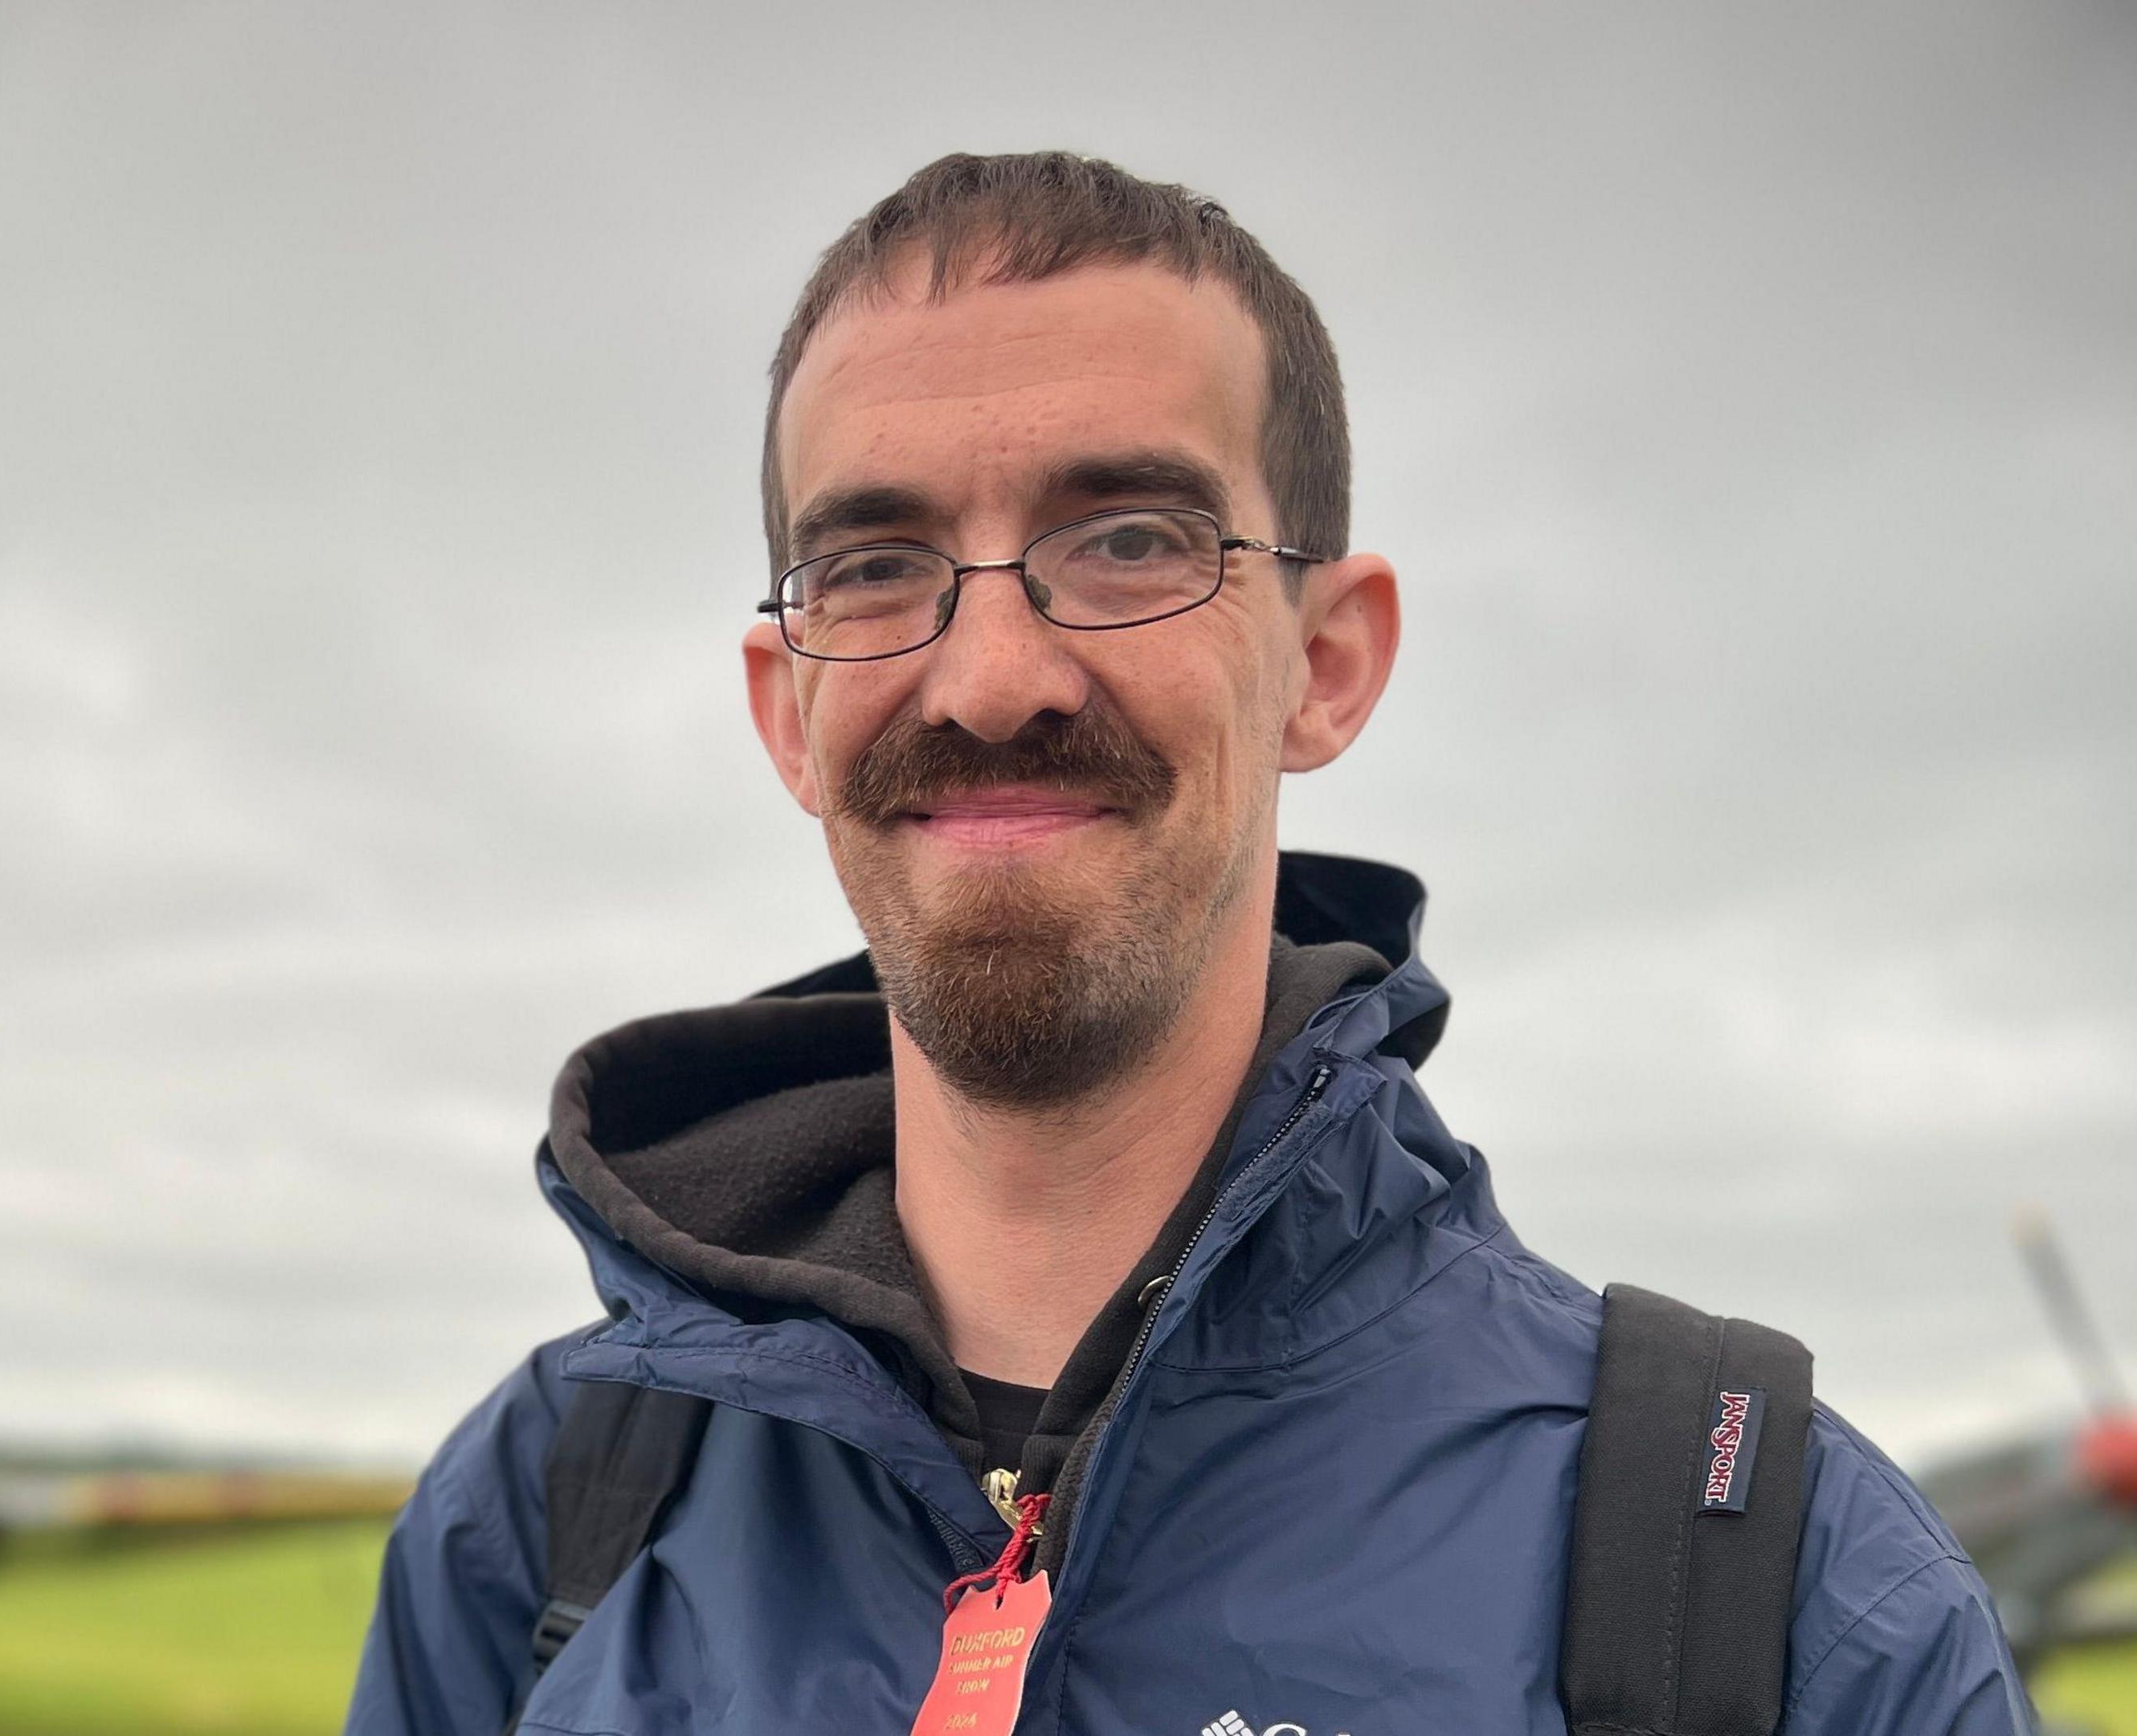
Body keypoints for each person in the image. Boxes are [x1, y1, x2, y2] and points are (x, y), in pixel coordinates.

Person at [345, 152, 2029, 1735]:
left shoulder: (1769, 1578)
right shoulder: (544, 1513)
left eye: (1130, 541)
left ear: (1328, 658)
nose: (993, 673)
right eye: (873, 563)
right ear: (787, 710)